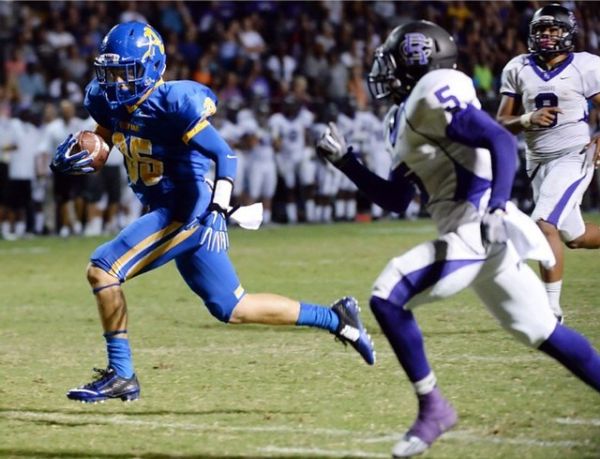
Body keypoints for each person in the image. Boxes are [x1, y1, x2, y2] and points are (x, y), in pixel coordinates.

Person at [316, 20, 600, 458]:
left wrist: (499, 207)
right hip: (477, 232)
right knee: (542, 330)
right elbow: (396, 198)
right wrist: (346, 161)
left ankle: (433, 408)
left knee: (388, 293)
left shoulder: (434, 89)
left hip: (481, 226)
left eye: (392, 60)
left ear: (415, 60)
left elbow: (498, 141)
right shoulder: (403, 115)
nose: (384, 70)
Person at [50, 21, 375, 404]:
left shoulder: (173, 103)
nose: (117, 84)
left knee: (102, 269)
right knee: (232, 307)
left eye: (126, 73)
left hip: (185, 209)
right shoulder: (105, 100)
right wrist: (84, 152)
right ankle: (337, 318)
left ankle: (122, 374)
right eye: (111, 73)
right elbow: (107, 134)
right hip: (167, 205)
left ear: (152, 69)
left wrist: (220, 208)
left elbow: (225, 155)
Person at [496, 4, 600, 323]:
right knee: (574, 236)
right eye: (540, 30)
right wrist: (527, 118)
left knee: (543, 224)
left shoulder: (586, 65)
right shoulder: (518, 67)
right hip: (538, 162)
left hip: (574, 155)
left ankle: (549, 310)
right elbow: (501, 120)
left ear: (567, 32)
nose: (545, 36)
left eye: (553, 29)